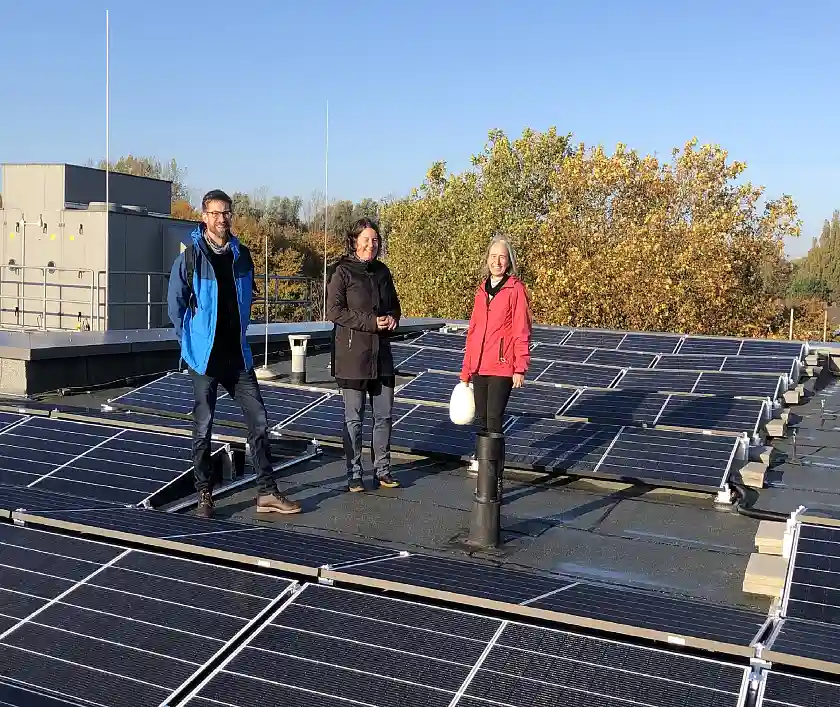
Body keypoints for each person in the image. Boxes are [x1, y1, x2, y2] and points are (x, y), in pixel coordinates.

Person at [167, 189, 301, 518]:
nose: (220, 219)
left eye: (225, 212)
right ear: (203, 216)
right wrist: (190, 344)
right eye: (214, 213)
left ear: (231, 215)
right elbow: (175, 304)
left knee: (259, 421)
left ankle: (267, 493)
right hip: (205, 359)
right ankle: (204, 495)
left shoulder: (242, 255)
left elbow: (245, 298)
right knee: (203, 428)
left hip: (237, 357)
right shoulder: (191, 256)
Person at [326, 218, 402, 493]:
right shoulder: (342, 271)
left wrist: (393, 319)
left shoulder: (383, 271)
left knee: (384, 416)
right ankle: (354, 473)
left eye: (375, 239)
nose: (372, 244)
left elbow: (394, 306)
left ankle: (382, 470)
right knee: (354, 419)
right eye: (367, 239)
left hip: (381, 356)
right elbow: (334, 312)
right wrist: (371, 322)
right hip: (352, 358)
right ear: (355, 241)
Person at [460, 235, 532, 434]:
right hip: (479, 366)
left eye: (502, 257)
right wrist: (466, 370)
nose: (497, 262)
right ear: (487, 259)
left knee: (493, 418)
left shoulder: (515, 289)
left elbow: (521, 329)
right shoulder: (481, 290)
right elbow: (473, 332)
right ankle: (483, 460)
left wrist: (520, 367)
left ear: (509, 261)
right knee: (482, 417)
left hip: (501, 365)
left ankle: (492, 464)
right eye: (493, 256)